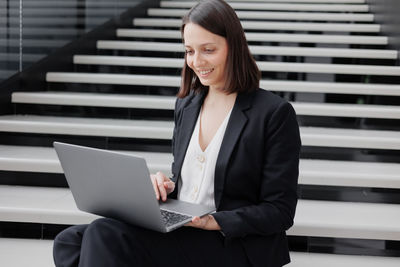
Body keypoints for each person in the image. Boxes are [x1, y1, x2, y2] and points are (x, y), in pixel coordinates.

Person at [53, 0, 301, 266]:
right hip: (186, 228)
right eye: (189, 51)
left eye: (208, 50)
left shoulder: (274, 113)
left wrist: (213, 221)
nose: (196, 61)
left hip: (231, 240)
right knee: (70, 240)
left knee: (104, 235)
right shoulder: (188, 105)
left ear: (234, 47)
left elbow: (280, 211)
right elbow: (192, 180)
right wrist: (163, 187)